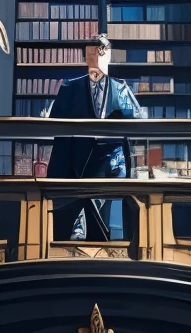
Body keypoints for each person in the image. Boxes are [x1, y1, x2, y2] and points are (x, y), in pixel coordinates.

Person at [44, 36, 145, 241]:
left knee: (105, 230)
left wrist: (119, 118)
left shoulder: (121, 88)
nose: (97, 57)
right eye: (93, 53)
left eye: (102, 53)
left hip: (109, 167)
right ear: (86, 57)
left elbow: (139, 120)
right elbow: (54, 123)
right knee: (66, 231)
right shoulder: (69, 87)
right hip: (74, 166)